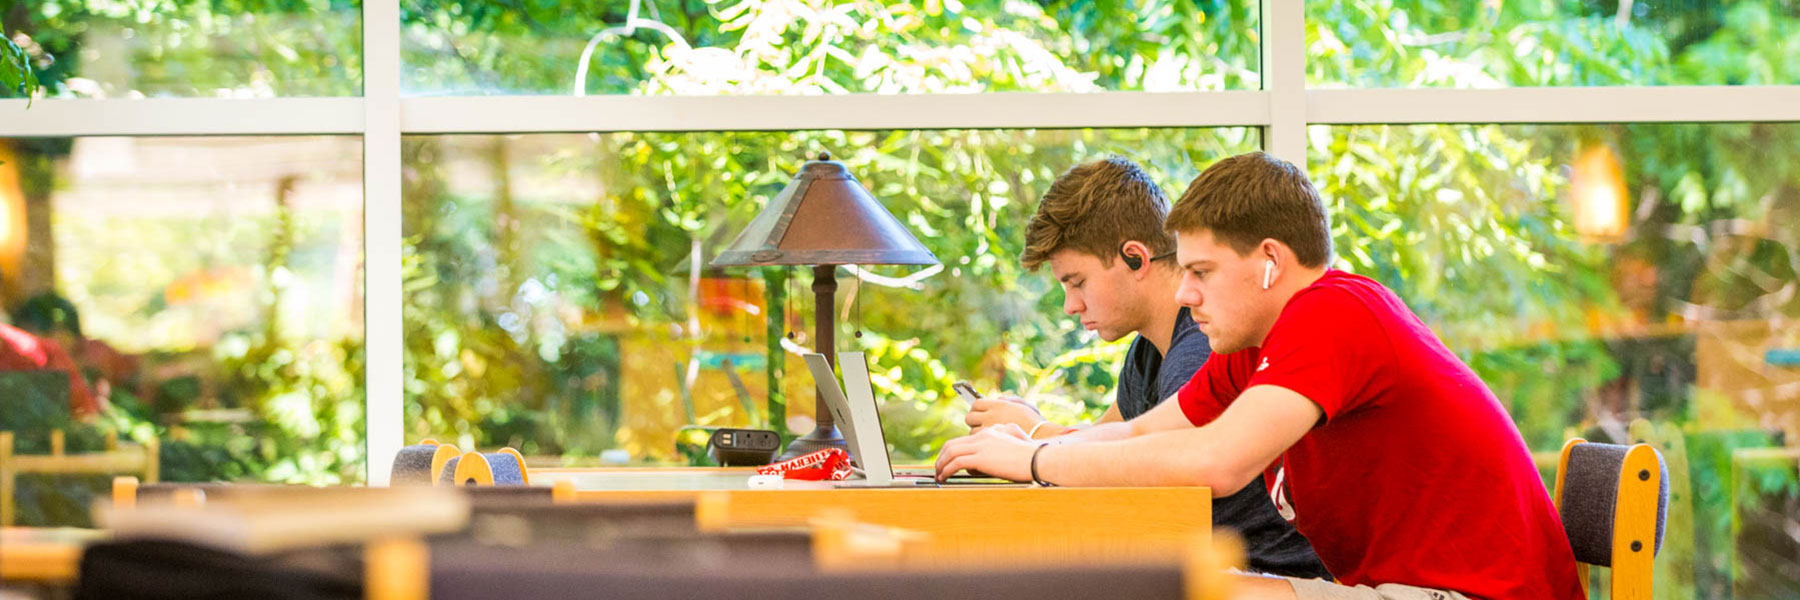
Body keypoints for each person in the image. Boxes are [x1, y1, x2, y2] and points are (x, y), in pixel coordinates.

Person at [935, 152, 1584, 600]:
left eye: (1203, 273)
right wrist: (1027, 449)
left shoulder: (1333, 312)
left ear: (1270, 261)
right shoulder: (1253, 343)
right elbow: (1141, 433)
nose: (1184, 295)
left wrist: (1036, 460)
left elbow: (1217, 462)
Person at [964, 156, 1326, 579]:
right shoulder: (1163, 351)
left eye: (1202, 272)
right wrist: (1029, 441)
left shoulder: (1220, 341)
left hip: (1269, 570)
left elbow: (1194, 465)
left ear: (1136, 259)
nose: (1070, 306)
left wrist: (1035, 446)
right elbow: (1132, 436)